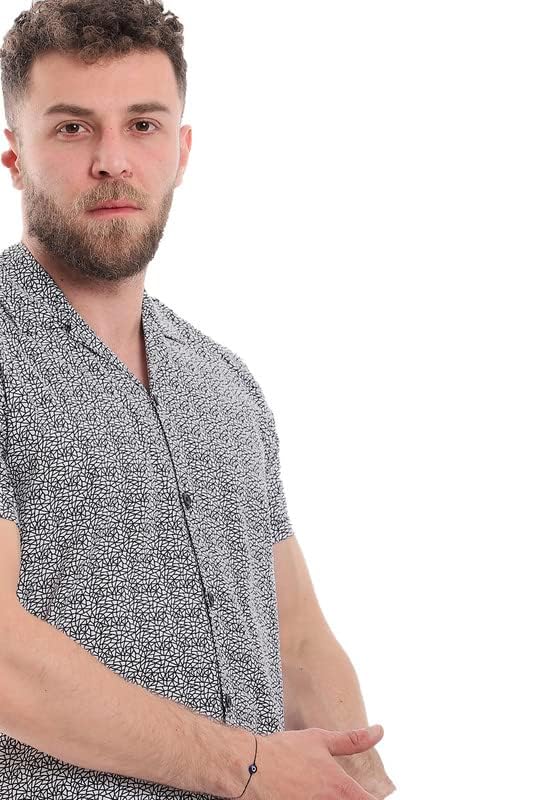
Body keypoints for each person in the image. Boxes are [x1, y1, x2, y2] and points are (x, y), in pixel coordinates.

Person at [0, 1, 396, 798]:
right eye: (73, 128)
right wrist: (245, 767)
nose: (113, 160)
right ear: (14, 155)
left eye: (142, 125)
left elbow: (296, 638)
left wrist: (365, 788)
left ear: (181, 151)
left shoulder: (224, 382)